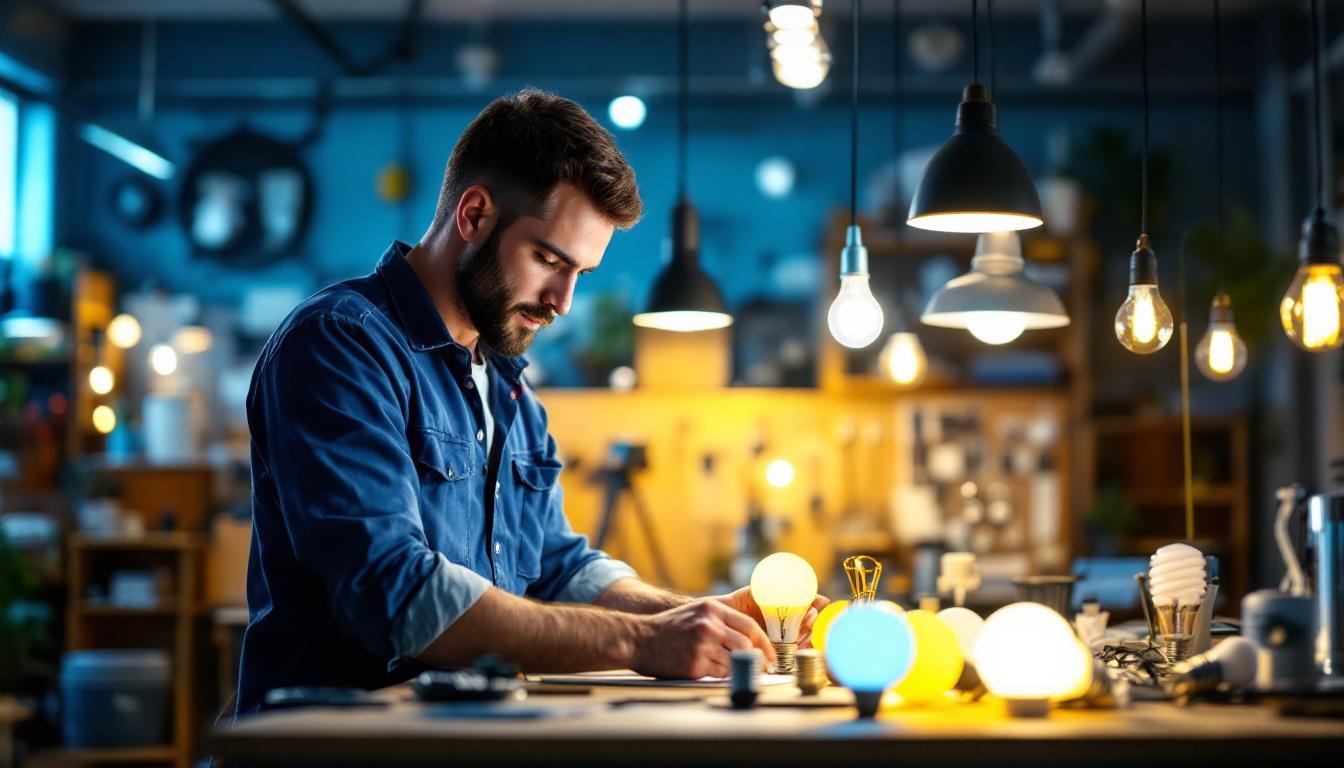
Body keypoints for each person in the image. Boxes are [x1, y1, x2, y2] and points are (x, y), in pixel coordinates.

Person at [237, 89, 824, 716]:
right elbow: (396, 593)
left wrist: (695, 618)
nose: (563, 301)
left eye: (581, 274)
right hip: (325, 746)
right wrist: (643, 639)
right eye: (548, 259)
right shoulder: (342, 344)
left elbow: (553, 566)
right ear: (474, 216)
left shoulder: (508, 384)